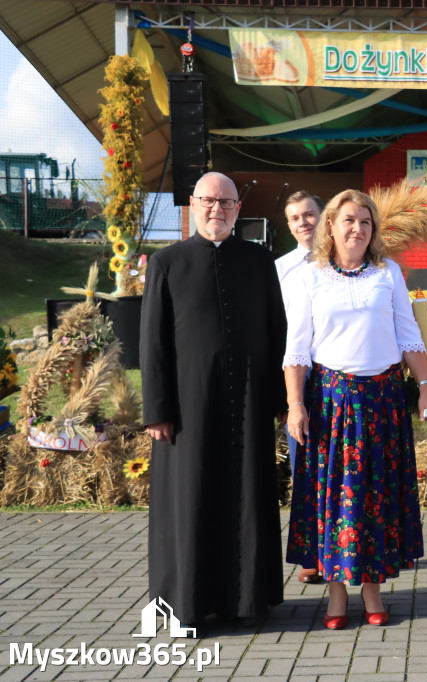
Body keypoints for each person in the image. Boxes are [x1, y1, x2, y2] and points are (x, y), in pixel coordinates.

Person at [283, 189, 427, 630]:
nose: (357, 229)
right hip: (331, 401)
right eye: (349, 220)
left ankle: (372, 587)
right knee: (334, 496)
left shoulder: (387, 273)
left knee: (374, 496)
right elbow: (296, 350)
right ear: (330, 225)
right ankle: (334, 592)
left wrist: (424, 388)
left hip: (383, 401)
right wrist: (295, 404)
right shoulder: (308, 277)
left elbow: (408, 336)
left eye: (365, 222)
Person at [140, 172, 286, 626]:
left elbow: (276, 330)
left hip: (247, 401)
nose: (217, 209)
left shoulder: (260, 261)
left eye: (226, 202)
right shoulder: (167, 262)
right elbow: (153, 343)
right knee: (191, 499)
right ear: (192, 204)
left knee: (247, 497)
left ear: (238, 210)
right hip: (189, 406)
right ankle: (188, 603)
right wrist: (158, 409)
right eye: (208, 201)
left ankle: (247, 601)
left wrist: (279, 399)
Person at [276, 190, 325, 586]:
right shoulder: (280, 269)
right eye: (295, 218)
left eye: (309, 214)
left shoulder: (347, 259)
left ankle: (347, 548)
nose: (303, 223)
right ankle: (311, 553)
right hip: (299, 375)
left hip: (340, 372)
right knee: (304, 464)